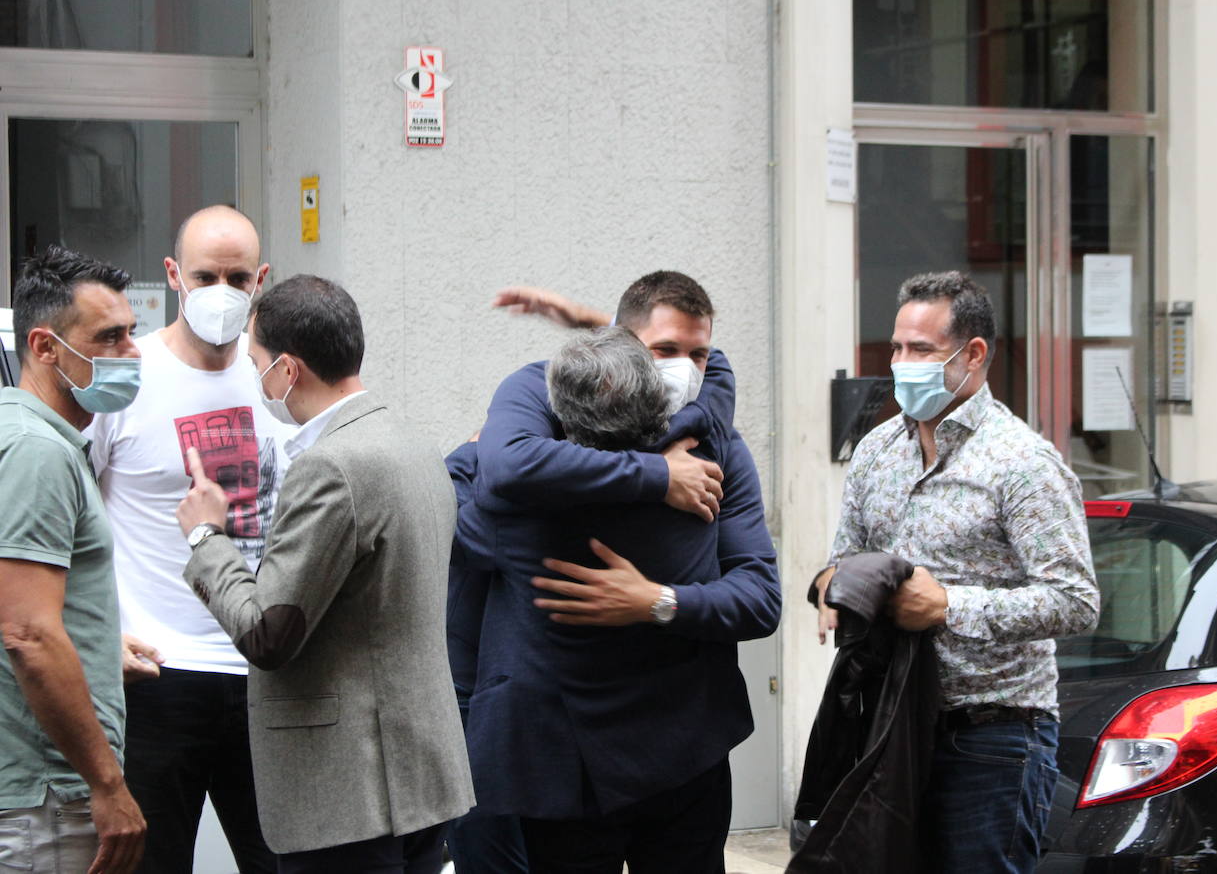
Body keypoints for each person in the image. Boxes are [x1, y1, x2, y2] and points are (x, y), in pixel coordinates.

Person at [462, 273, 779, 873]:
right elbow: (504, 468)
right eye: (664, 352)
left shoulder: (714, 445)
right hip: (564, 759)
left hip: (685, 745)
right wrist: (658, 477)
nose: (685, 369)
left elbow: (761, 599)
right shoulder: (541, 410)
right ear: (621, 344)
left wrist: (658, 600)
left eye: (697, 354)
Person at [174, 275, 474, 873]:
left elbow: (269, 633)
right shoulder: (409, 441)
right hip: (420, 774)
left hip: (349, 788)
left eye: (256, 362)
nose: (255, 377)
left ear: (288, 370)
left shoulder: (331, 467)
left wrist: (206, 538)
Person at [813, 270, 1099, 874]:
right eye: (896, 347)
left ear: (973, 355)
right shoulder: (877, 450)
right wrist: (832, 589)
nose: (900, 363)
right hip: (889, 722)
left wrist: (948, 606)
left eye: (920, 350)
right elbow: (848, 556)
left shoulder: (1022, 463)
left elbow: (1076, 601)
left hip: (991, 735)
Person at [85, 205, 284, 874]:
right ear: (173, 275)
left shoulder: (276, 378)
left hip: (261, 672)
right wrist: (96, 636)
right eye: (205, 276)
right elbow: (68, 519)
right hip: (156, 677)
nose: (221, 293)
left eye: (237, 277)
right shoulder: (123, 378)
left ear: (261, 279)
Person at [0, 246, 146, 873]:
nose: (131, 353)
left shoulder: (34, 436)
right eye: (109, 338)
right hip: (50, 802)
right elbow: (28, 633)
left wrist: (97, 650)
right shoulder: (36, 451)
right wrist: (107, 786)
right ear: (46, 346)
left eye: (132, 333)